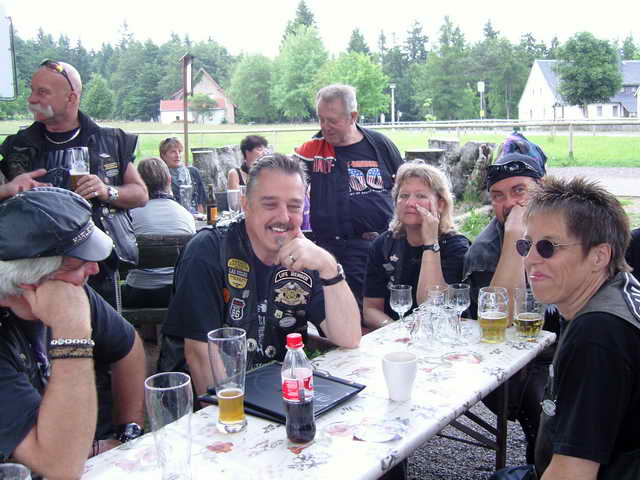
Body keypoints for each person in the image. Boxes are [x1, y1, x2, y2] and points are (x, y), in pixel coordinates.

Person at [158, 153, 362, 396]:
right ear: (246, 204)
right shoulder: (208, 250)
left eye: (294, 206)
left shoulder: (304, 256)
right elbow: (200, 355)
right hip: (211, 405)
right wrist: (234, 412)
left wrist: (328, 267)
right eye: (270, 204)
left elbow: (349, 338)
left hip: (278, 394)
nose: (284, 217)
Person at [0, 187, 146, 478]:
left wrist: (127, 433)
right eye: (78, 263)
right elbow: (60, 467)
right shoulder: (66, 303)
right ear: (28, 282)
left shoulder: (68, 287)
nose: (94, 269)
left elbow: (128, 348)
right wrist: (72, 332)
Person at [0, 60, 148, 308]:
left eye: (42, 92)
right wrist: (9, 191)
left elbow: (141, 194)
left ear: (71, 97)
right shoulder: (18, 146)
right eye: (32, 90)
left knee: (102, 332)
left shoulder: (110, 140)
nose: (32, 99)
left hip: (96, 267)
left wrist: (107, 190)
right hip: (36, 272)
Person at [519, 177, 640, 479]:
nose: (530, 259)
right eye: (526, 244)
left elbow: (573, 473)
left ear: (599, 256)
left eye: (548, 247)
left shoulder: (598, 333)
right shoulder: (618, 290)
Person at [462, 141, 559, 464]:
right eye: (498, 196)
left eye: (519, 191)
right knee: (548, 416)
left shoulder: (565, 229)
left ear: (542, 188)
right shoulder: (485, 250)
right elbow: (501, 322)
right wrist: (515, 238)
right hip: (519, 363)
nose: (509, 203)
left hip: (567, 344)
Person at [294, 84, 404, 312]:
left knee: (386, 310)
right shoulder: (314, 150)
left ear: (353, 116)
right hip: (335, 250)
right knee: (347, 313)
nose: (325, 127)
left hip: (382, 246)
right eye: (321, 119)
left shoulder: (380, 145)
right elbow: (287, 184)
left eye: (332, 120)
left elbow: (405, 184)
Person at [363, 161, 470, 329]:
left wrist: (431, 243)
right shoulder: (383, 245)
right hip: (395, 334)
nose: (410, 203)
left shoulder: (456, 246)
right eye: (404, 196)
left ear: (440, 204)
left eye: (420, 196)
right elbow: (370, 309)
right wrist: (397, 330)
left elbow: (431, 305)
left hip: (440, 334)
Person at [122, 157, 196, 308]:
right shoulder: (185, 215)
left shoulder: (130, 215)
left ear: (140, 183)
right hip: (176, 293)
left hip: (139, 292)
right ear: (169, 180)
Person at [159, 137, 206, 214]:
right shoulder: (160, 175)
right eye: (173, 152)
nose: (178, 155)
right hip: (171, 214)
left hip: (193, 215)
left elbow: (200, 205)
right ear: (163, 155)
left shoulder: (193, 172)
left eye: (180, 151)